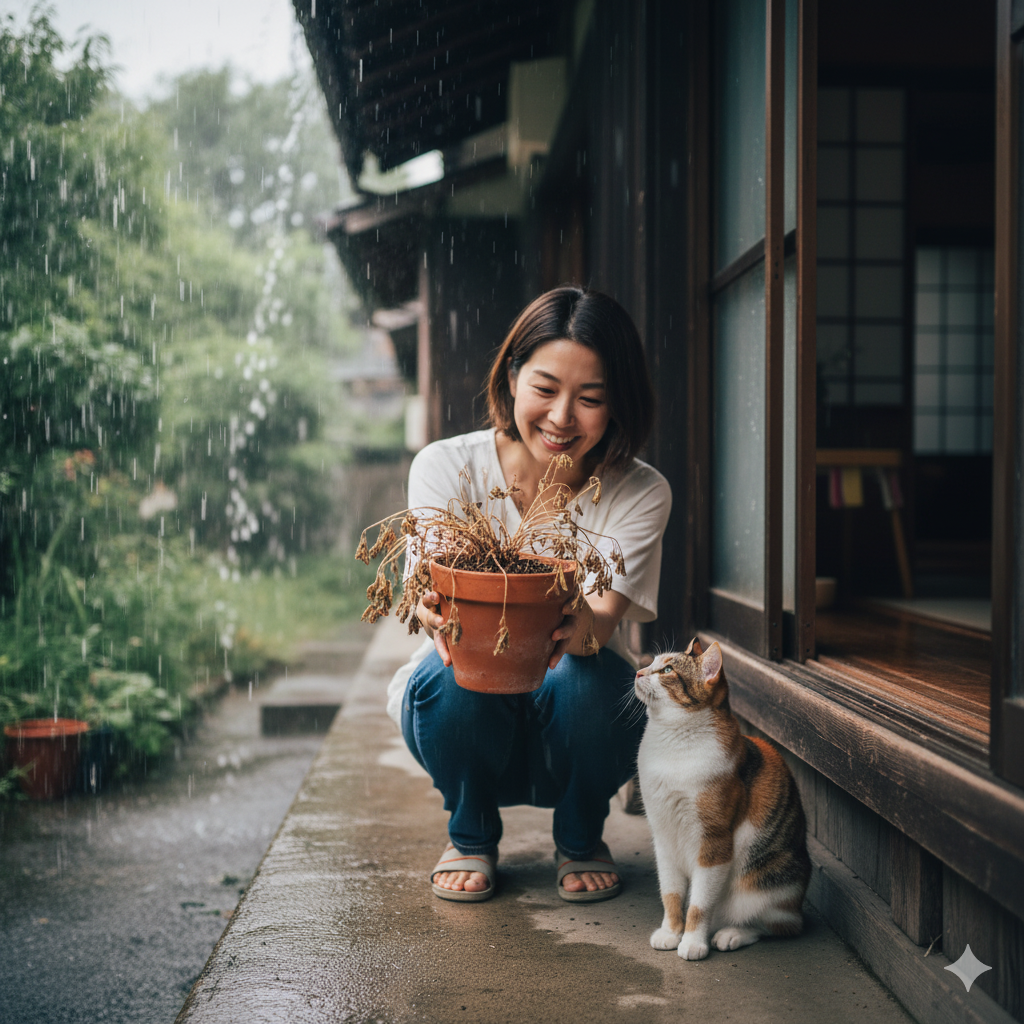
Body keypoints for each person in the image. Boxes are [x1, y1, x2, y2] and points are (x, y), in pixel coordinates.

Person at [386, 286, 672, 903]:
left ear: (618, 401)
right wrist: (433, 607)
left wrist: (565, 624)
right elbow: (430, 595)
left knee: (584, 674)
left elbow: (596, 626)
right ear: (512, 376)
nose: (563, 418)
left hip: (572, 730)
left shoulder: (640, 491)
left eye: (590, 398)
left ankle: (580, 832)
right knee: (454, 668)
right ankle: (469, 833)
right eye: (545, 389)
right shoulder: (445, 465)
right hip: (462, 722)